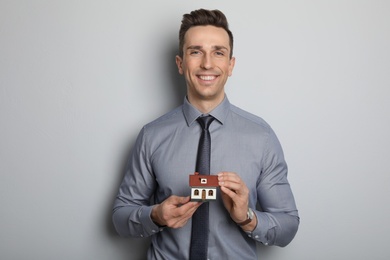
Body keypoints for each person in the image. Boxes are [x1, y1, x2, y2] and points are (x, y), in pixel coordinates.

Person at [112, 8, 299, 260]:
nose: (207, 64)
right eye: (196, 51)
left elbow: (288, 226)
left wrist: (247, 218)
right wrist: (155, 215)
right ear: (180, 63)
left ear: (230, 65)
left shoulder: (261, 137)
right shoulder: (151, 136)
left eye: (218, 52)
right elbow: (121, 217)